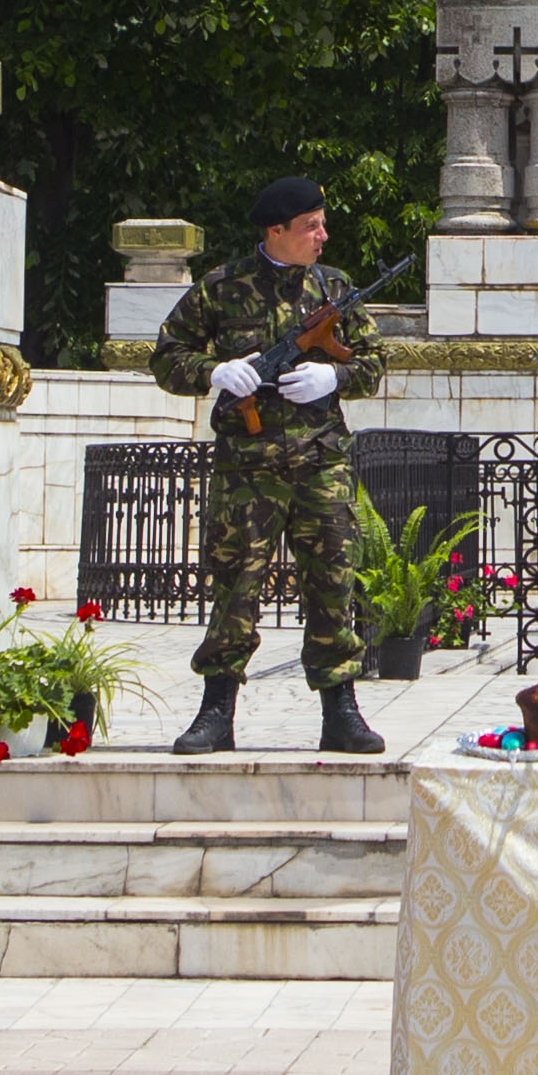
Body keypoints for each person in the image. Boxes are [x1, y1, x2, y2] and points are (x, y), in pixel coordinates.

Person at [149, 176, 391, 758]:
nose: (322, 236)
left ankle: (341, 711)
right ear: (275, 230)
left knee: (333, 583)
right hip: (248, 470)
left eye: (321, 223)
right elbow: (166, 358)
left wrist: (335, 376)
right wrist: (214, 372)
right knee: (235, 587)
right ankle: (216, 711)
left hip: (320, 463)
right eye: (311, 226)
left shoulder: (333, 290)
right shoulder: (221, 289)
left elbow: (376, 361)